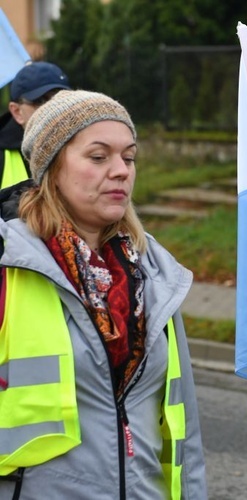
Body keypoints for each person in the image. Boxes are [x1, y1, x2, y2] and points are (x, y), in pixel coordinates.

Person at [0, 90, 207, 499]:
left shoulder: (154, 272)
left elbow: (187, 436)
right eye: (98, 157)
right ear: (51, 167)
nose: (120, 171)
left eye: (128, 158)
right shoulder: (11, 265)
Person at [0, 61, 70, 188]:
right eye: (40, 101)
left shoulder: (86, 147)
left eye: (60, 99)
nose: (52, 108)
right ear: (17, 111)